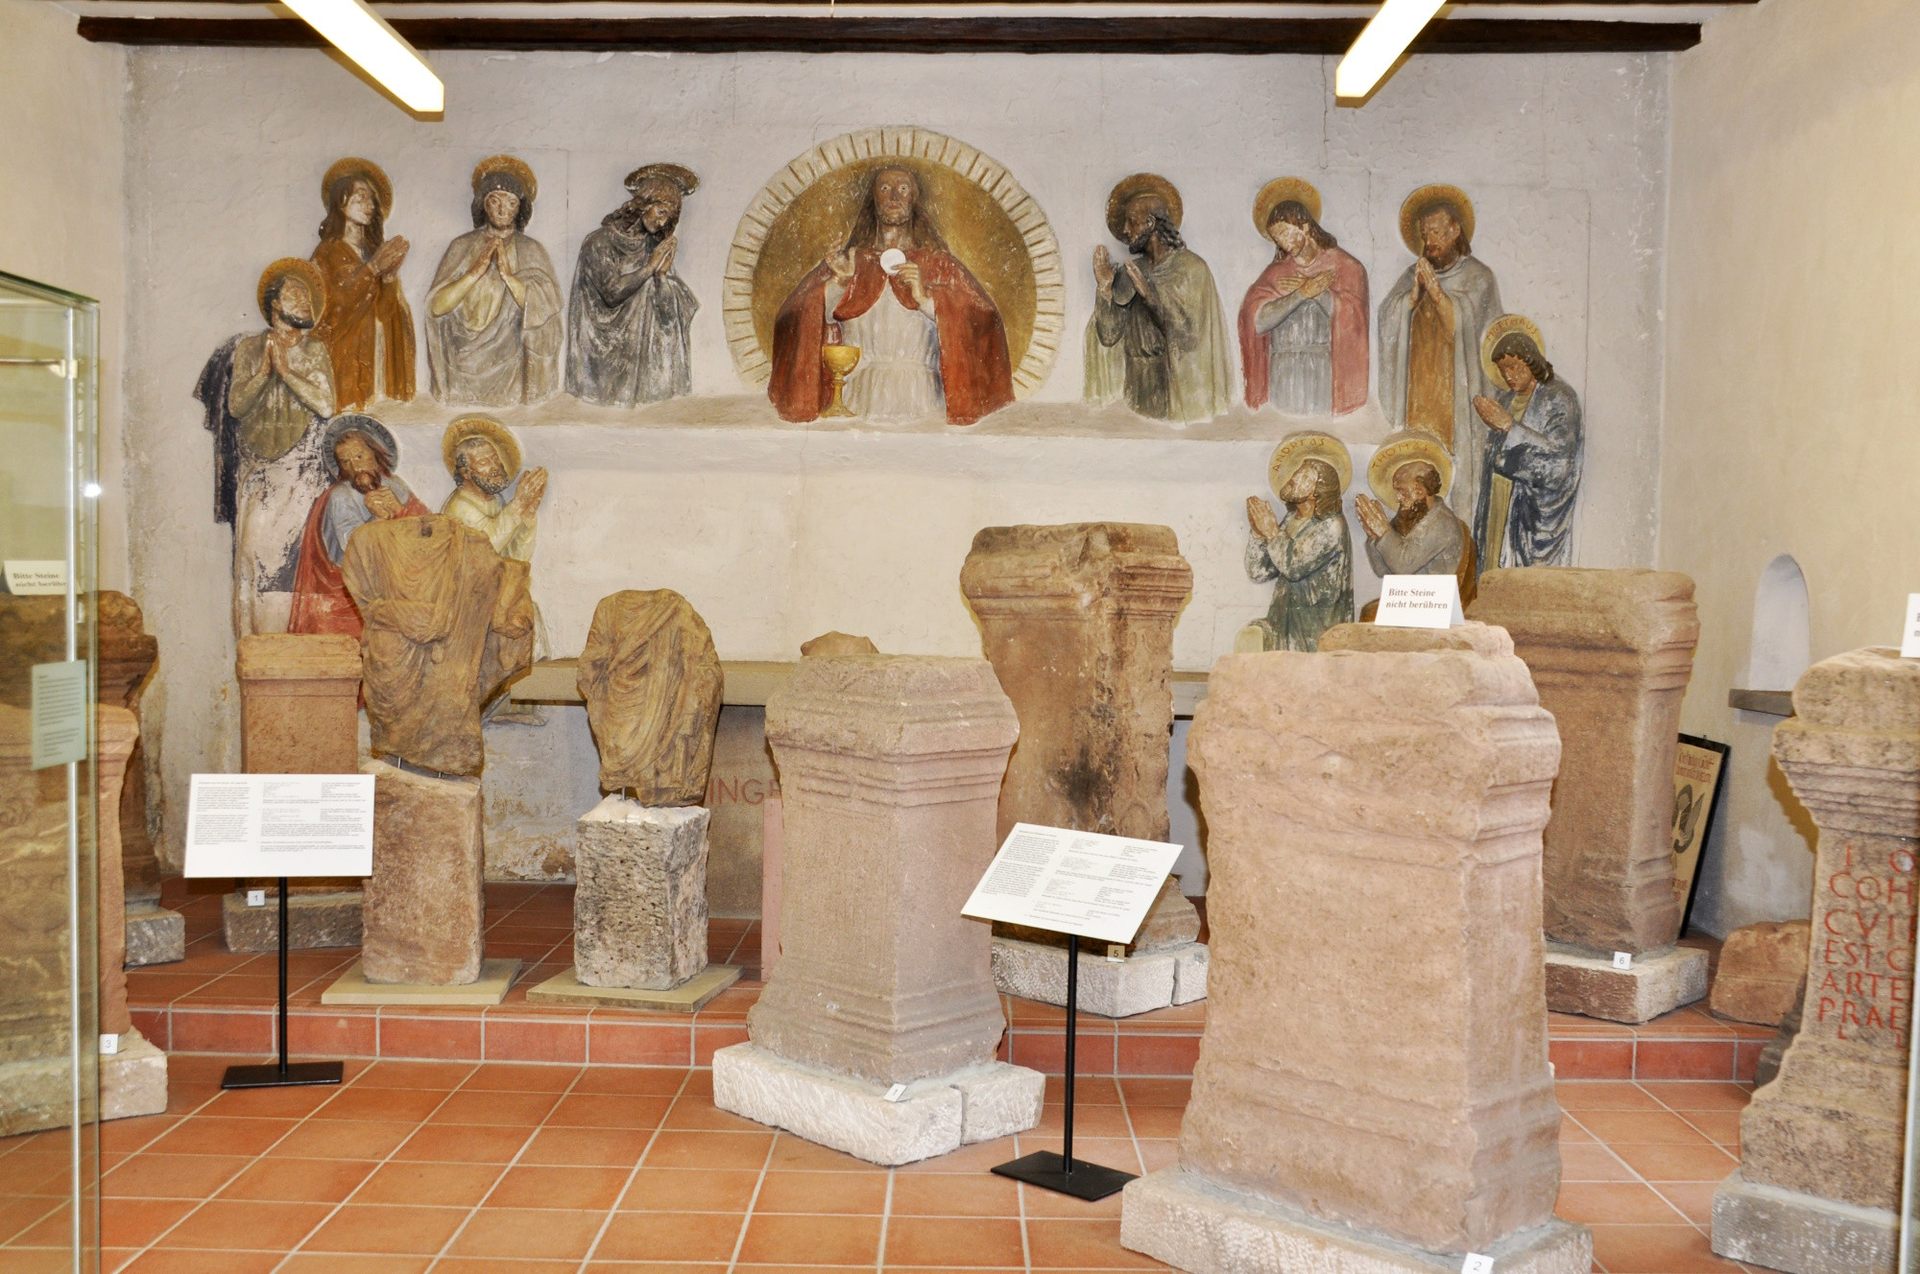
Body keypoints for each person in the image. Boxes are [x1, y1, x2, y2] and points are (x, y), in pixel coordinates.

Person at [769, 164, 1013, 425]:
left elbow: (985, 320)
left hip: (923, 401)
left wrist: (928, 300)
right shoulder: (849, 261)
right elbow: (793, 316)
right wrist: (840, 282)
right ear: (874, 200)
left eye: (903, 189)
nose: (894, 196)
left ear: (914, 200)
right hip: (858, 399)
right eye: (885, 189)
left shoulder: (939, 264)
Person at [195, 258, 336, 637]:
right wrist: (264, 370)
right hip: (258, 473)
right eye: (295, 294)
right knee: (253, 555)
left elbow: (326, 405)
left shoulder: (315, 350)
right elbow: (237, 405)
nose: (304, 301)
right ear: (275, 303)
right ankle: (258, 644)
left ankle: (295, 647)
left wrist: (286, 371)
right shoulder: (250, 348)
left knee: (295, 561)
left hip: (302, 472)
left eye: (307, 295)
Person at [1377, 186, 1504, 561]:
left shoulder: (1479, 278)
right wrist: (1410, 298)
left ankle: (1457, 561)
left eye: (1435, 232)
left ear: (1455, 231)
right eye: (1424, 234)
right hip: (1420, 395)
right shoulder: (1412, 274)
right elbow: (1388, 320)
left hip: (1456, 402)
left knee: (1457, 478)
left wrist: (1436, 292)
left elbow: (1474, 335)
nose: (1429, 241)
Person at [1086, 174, 1234, 424]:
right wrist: (1104, 287)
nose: (1125, 230)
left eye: (1131, 222)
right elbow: (1109, 335)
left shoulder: (1191, 269)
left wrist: (1149, 296)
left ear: (1150, 223)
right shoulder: (1131, 271)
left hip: (1175, 388)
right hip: (1137, 386)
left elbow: (1189, 337)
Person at [426, 155, 564, 406]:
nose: (502, 210)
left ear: (520, 208)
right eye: (495, 201)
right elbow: (436, 307)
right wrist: (474, 273)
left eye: (511, 203)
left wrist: (509, 278)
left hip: (511, 365)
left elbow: (544, 310)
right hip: (461, 361)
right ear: (483, 204)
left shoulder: (532, 250)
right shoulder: (461, 246)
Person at [567, 163, 701, 407]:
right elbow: (612, 293)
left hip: (642, 353)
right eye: (661, 211)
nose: (662, 222)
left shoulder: (652, 246)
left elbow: (669, 315)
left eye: (669, 218)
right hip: (604, 354)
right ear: (643, 204)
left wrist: (661, 277)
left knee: (671, 292)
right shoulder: (599, 242)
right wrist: (649, 268)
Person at [1237, 179, 1369, 417]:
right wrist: (1301, 294)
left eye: (1285, 233)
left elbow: (1354, 321)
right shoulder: (1275, 273)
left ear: (1305, 227)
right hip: (1282, 379)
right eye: (1277, 239)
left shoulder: (1347, 267)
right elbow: (1256, 321)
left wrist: (1320, 294)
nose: (1282, 243)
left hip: (1324, 377)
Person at [288, 416, 429, 637]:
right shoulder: (341, 496)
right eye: (345, 462)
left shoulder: (396, 486)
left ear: (375, 452)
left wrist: (400, 510)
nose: (355, 466)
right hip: (349, 589)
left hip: (393, 578)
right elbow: (352, 547)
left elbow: (427, 529)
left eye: (359, 456)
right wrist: (376, 518)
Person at [1472, 316, 1584, 567]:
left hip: (1532, 516)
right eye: (1502, 370)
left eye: (1513, 367)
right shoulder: (1504, 400)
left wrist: (1511, 427)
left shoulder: (1559, 397)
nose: (1508, 375)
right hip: (1499, 500)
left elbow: (1560, 466)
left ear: (1530, 360)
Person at [310, 157, 414, 410]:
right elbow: (330, 310)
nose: (369, 205)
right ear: (341, 203)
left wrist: (389, 278)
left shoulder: (373, 250)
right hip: (345, 356)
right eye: (360, 198)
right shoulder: (326, 254)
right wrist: (373, 268)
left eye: (371, 199)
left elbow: (386, 314)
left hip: (376, 352)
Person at [1242, 431, 1354, 651]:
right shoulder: (1292, 519)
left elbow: (1293, 567)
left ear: (1316, 491)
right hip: (1284, 622)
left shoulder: (1332, 526)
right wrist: (1257, 534)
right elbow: (1259, 572)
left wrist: (1271, 531)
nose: (1294, 478)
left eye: (1304, 476)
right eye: (1297, 472)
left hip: (1315, 632)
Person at [1354, 431, 1477, 608]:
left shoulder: (1442, 523)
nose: (1397, 498)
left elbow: (1402, 567)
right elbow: (1382, 570)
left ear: (1420, 491)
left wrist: (1384, 532)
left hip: (1433, 603)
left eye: (1402, 491)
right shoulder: (1410, 517)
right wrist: (1374, 536)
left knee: (1370, 613)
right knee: (1370, 612)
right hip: (1411, 598)